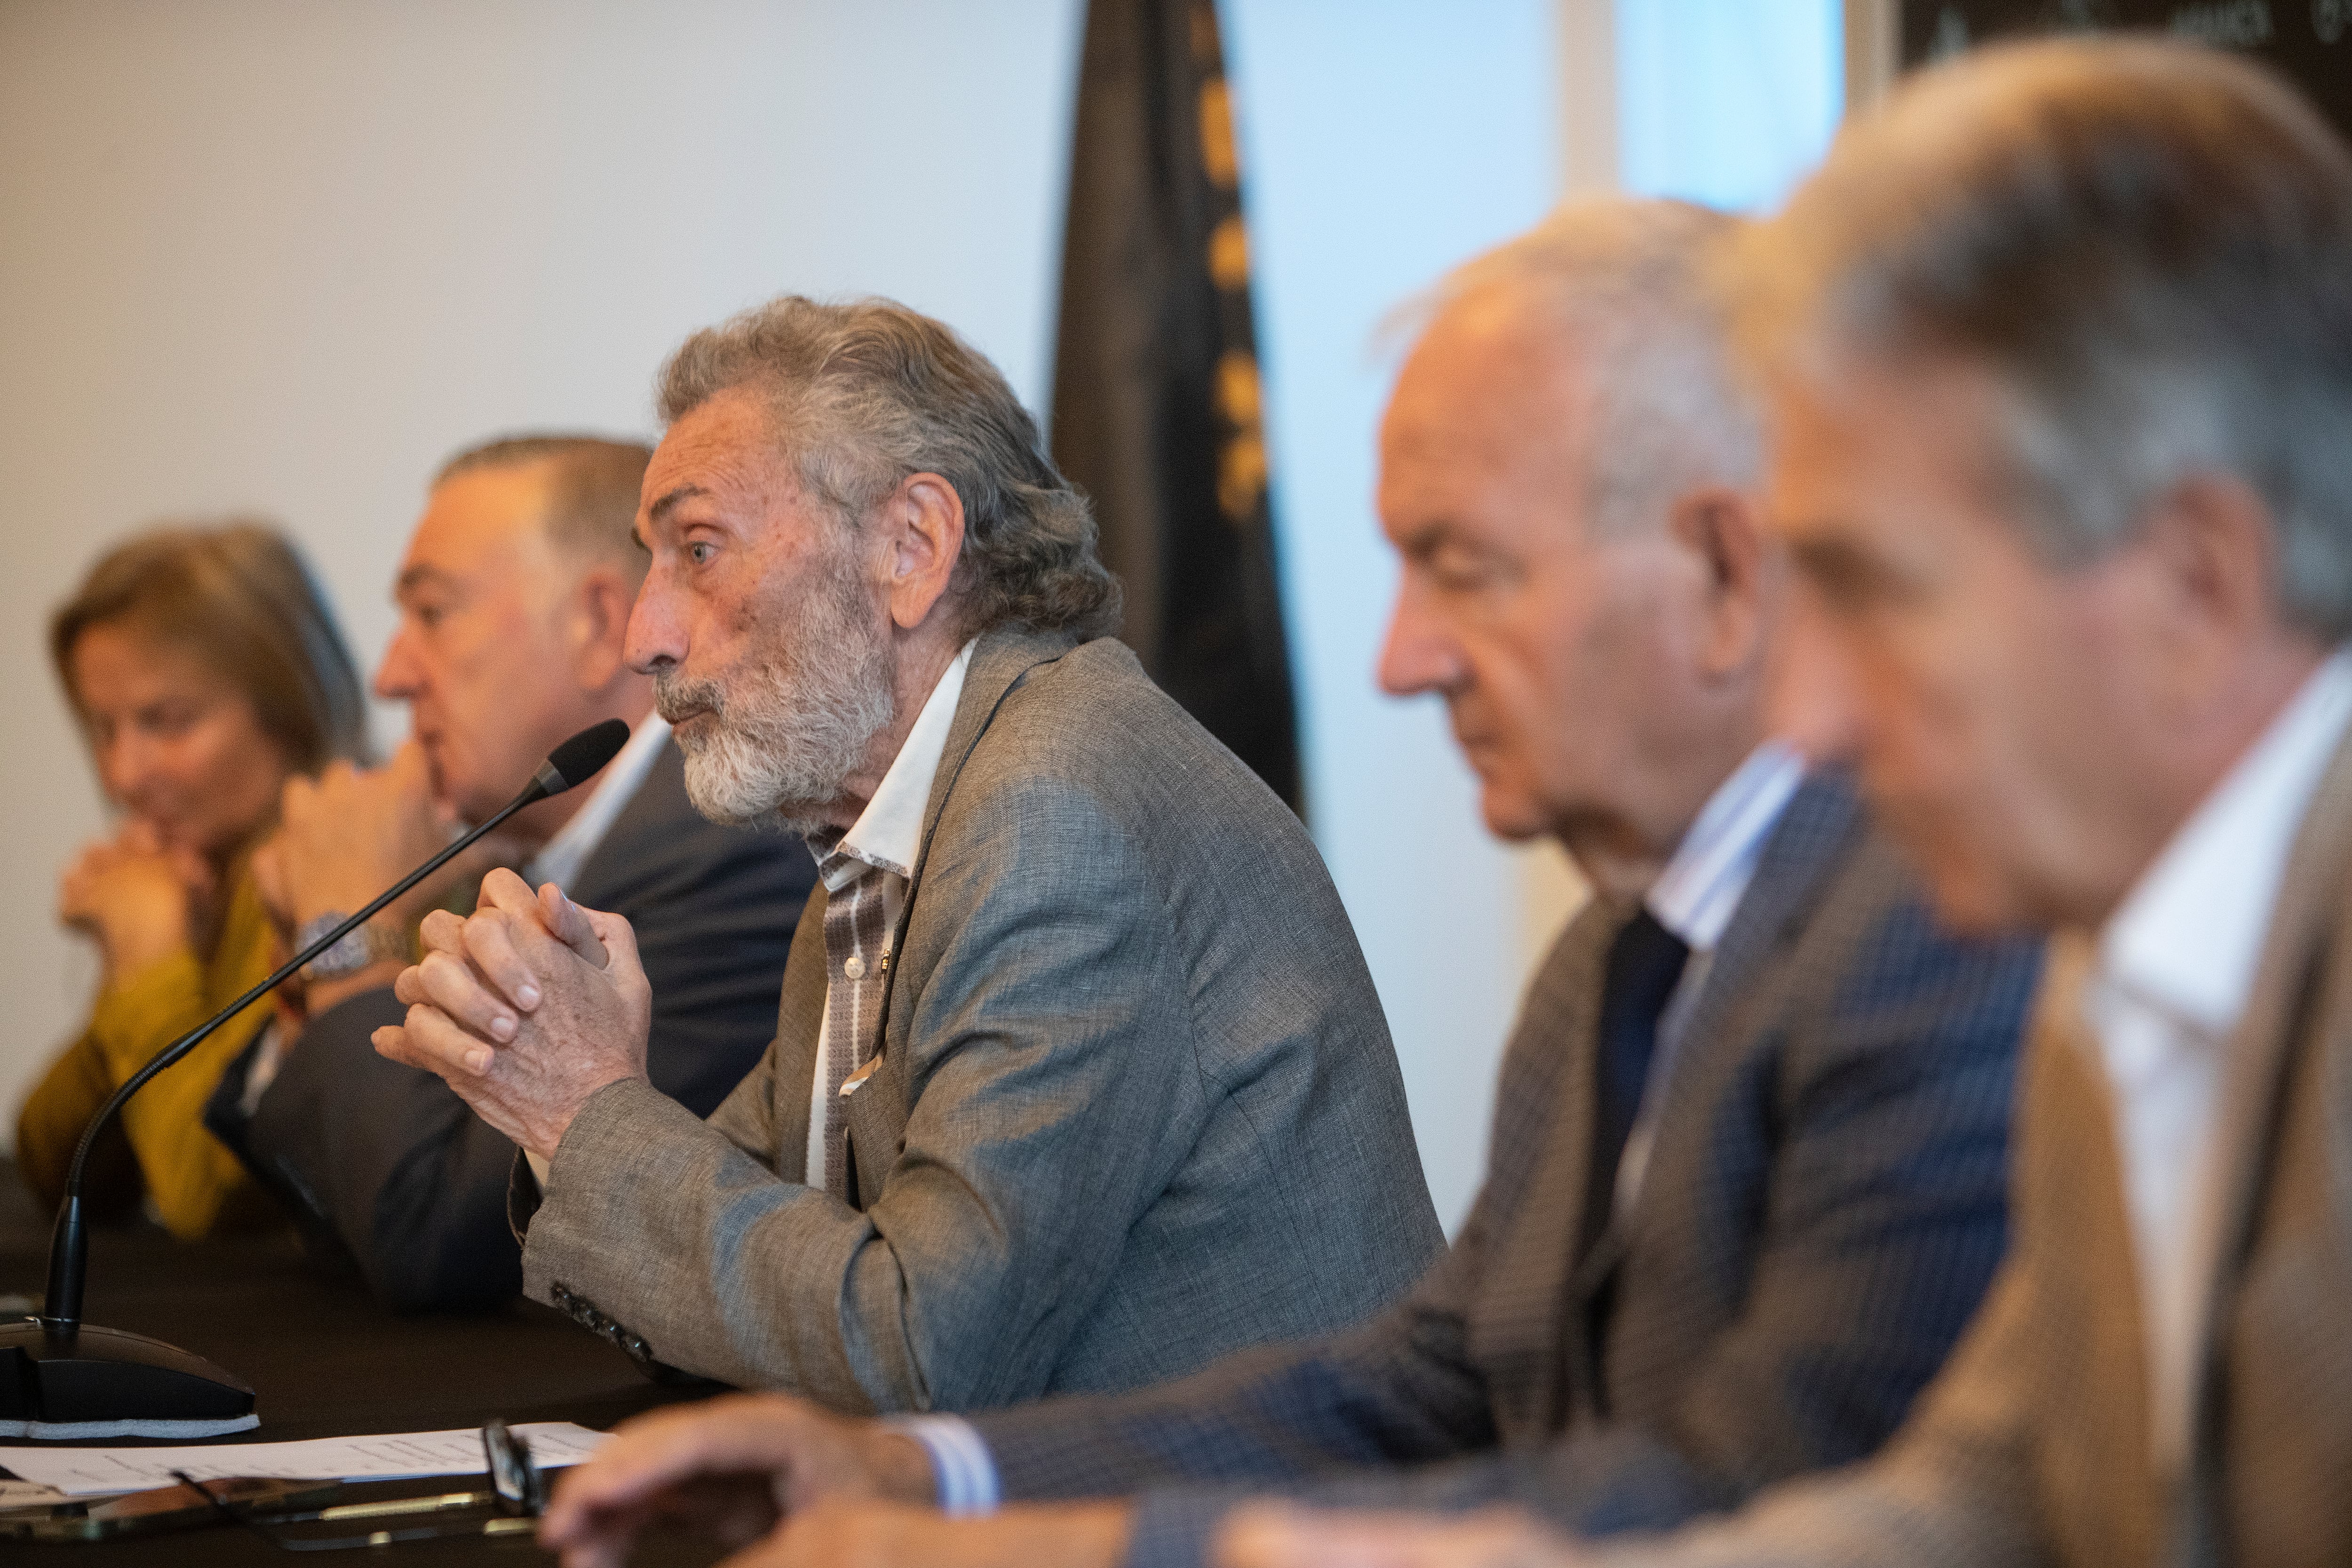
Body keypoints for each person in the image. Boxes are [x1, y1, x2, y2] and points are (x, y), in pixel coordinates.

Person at [525, 202, 2044, 1568]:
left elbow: (1733, 1497)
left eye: (1466, 566)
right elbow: (1430, 1382)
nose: (1400, 661)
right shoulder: (1612, 954)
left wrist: (1079, 1546)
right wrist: (922, 1477)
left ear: (1723, 573)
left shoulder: (1923, 940)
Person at [1199, 34, 2352, 1568]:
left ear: (2195, 590)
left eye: (1875, 592)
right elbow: (1981, 1495)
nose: (1806, 714)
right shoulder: (2115, 961)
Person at [375, 295, 1445, 1409]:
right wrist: (573, 1098)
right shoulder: (879, 833)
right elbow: (758, 1287)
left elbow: (929, 1349)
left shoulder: (1054, 812)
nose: (649, 635)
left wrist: (583, 1106)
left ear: (912, 547)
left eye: (699, 550)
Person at [205, 435, 816, 1312]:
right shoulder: (489, 855)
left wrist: (341, 934)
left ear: (601, 625)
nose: (389, 675)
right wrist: (313, 958)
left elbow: (445, 1241)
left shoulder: (722, 855)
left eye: (433, 613)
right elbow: (333, 1217)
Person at [16, 522, 368, 1240]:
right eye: (103, 728)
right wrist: (141, 962)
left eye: (167, 722)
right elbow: (53, 1163)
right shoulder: (210, 874)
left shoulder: (344, 886)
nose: (122, 776)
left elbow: (209, 1198)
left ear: (291, 711)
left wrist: (149, 959)